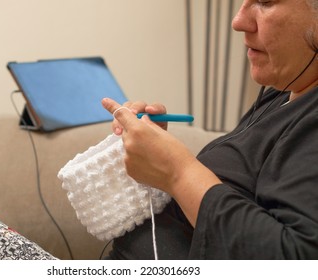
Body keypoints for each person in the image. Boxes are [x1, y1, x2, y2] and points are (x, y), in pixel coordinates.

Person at [100, 0, 318, 259]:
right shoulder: (281, 96)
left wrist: (177, 172)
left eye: (265, 2)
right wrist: (156, 154)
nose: (238, 21)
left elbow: (296, 259)